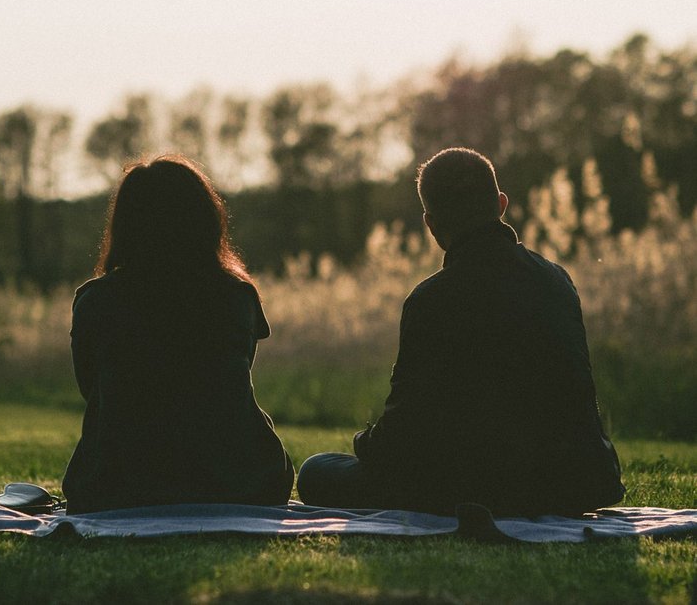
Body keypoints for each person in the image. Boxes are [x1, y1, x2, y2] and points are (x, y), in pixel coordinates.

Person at [297, 147, 624, 516]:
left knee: (317, 470)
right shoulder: (558, 281)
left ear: (432, 224)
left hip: (481, 486)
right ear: (501, 204)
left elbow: (405, 431)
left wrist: (366, 443)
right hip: (578, 482)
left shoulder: (431, 300)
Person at [62, 154, 294, 513]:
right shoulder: (237, 296)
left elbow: (90, 388)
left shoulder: (96, 300)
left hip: (117, 486)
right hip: (242, 482)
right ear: (206, 221)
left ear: (124, 225)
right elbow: (231, 378)